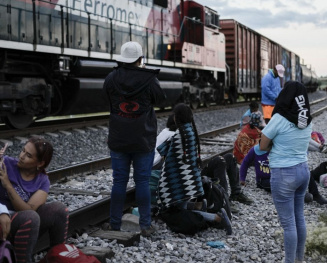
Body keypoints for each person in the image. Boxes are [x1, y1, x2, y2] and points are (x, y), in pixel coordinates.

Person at [103, 41, 166, 236]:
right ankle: (145, 225)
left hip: (119, 138)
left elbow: (107, 97)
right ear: (140, 59)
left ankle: (115, 224)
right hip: (143, 139)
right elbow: (161, 99)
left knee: (119, 182)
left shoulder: (111, 78)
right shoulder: (149, 79)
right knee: (142, 182)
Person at [0, 137, 69, 262]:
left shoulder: (42, 181)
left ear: (40, 163)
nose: (21, 156)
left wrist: (8, 185)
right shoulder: (6, 163)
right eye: (23, 151)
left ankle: (57, 258)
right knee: (30, 217)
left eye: (29, 155)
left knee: (59, 210)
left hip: (20, 224)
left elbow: (26, 210)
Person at [156, 103, 232, 235]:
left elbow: (167, 156)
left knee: (180, 211)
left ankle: (217, 218)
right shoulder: (190, 132)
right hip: (188, 182)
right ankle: (199, 207)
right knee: (182, 208)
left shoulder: (180, 134)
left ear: (177, 117)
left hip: (179, 183)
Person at [259, 81, 312, 263]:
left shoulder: (280, 118)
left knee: (289, 224)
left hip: (284, 174)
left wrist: (275, 144)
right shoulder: (307, 120)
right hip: (303, 171)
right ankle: (299, 259)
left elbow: (262, 145)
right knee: (299, 218)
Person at [240, 144, 327, 205]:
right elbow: (245, 163)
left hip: (281, 175)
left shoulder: (279, 148)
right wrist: (242, 179)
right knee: (278, 185)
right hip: (264, 180)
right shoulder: (255, 150)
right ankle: (299, 194)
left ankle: (315, 194)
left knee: (304, 170)